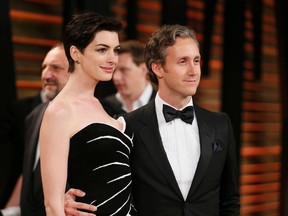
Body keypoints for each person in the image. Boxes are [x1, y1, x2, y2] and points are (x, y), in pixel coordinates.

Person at [65, 24, 240, 216]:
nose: (193, 71)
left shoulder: (221, 125)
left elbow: (229, 199)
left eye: (196, 61)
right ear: (158, 68)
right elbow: (102, 181)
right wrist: (68, 198)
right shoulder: (126, 125)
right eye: (183, 62)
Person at [39, 11, 136, 216]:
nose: (112, 59)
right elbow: (52, 206)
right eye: (102, 50)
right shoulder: (60, 111)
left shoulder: (103, 106)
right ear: (75, 54)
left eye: (115, 50)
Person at [0, 43, 70, 216]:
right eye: (44, 67)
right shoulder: (34, 116)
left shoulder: (91, 117)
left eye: (55, 67)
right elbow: (28, 174)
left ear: (74, 71)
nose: (46, 74)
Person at [100, 40, 156, 116]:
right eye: (114, 70)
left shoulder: (163, 104)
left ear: (143, 69)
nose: (116, 77)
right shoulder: (104, 107)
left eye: (124, 70)